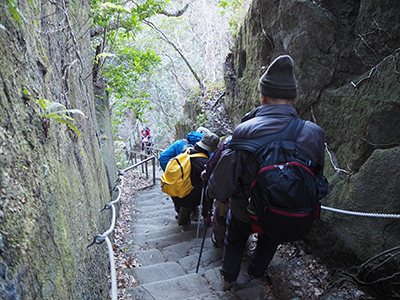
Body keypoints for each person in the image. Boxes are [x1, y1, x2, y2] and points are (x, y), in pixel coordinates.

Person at [206, 55, 326, 290]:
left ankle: (228, 279)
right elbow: (318, 178)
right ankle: (255, 274)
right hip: (282, 210)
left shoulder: (245, 132)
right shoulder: (313, 133)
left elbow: (220, 187)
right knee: (270, 240)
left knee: (235, 237)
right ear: (293, 99)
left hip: (244, 211)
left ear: (262, 97)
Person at [172, 132, 219, 226]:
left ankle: (183, 223)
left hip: (176, 190)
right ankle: (207, 218)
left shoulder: (187, 150)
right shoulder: (203, 162)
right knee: (207, 192)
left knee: (185, 208)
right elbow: (207, 184)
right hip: (189, 196)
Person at [201, 136, 232, 248]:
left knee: (220, 217)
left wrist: (205, 174)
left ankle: (220, 241)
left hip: (224, 190)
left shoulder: (228, 143)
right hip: (246, 191)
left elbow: (212, 165)